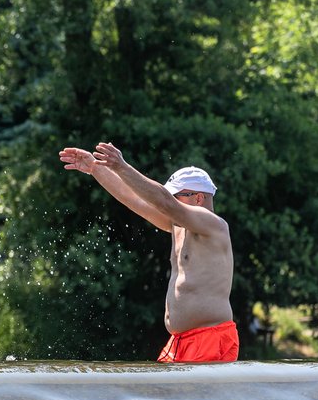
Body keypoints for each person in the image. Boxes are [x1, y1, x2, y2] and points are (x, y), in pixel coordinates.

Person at [59, 142, 238, 362]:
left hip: (209, 339)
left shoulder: (214, 225)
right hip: (179, 342)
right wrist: (96, 168)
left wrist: (122, 166)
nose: (169, 202)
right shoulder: (178, 226)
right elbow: (134, 199)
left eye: (176, 197)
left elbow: (163, 201)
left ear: (198, 198)